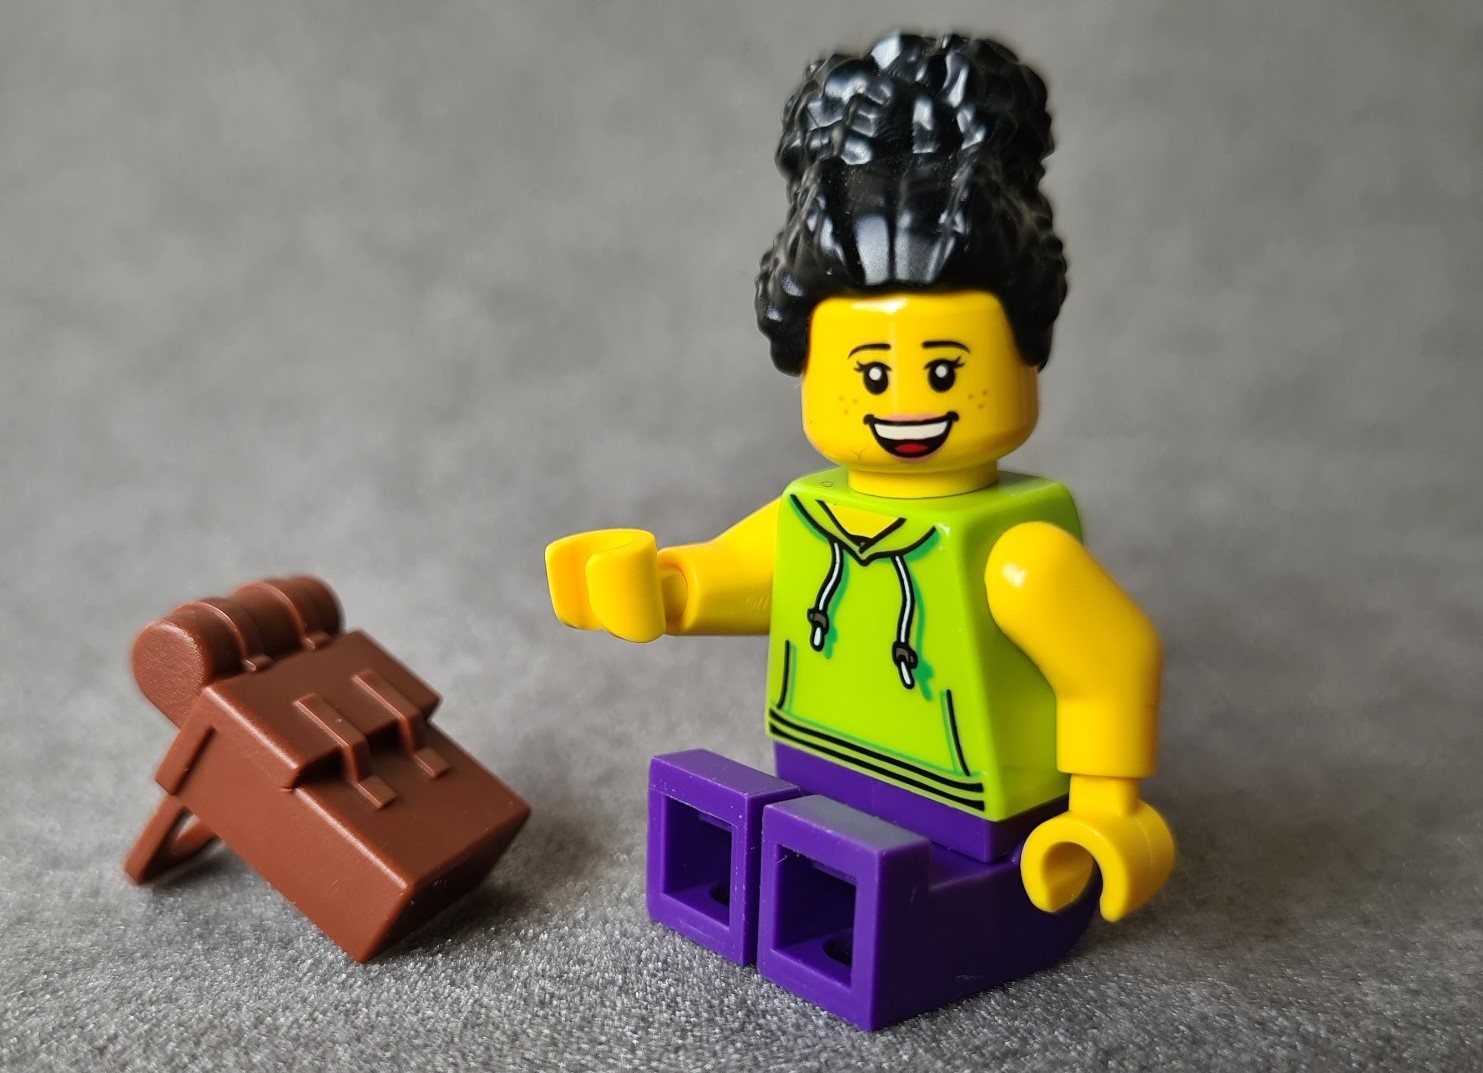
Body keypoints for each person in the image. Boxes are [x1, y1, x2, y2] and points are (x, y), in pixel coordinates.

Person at [547, 31, 1174, 1028]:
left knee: (876, 893)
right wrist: (654, 588)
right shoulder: (817, 513)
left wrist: (1103, 806)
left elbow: (1112, 657)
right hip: (815, 785)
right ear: (812, 370)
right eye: (871, 373)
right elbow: (739, 572)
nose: (905, 402)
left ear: (1024, 360)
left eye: (944, 368)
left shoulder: (1015, 550)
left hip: (984, 831)